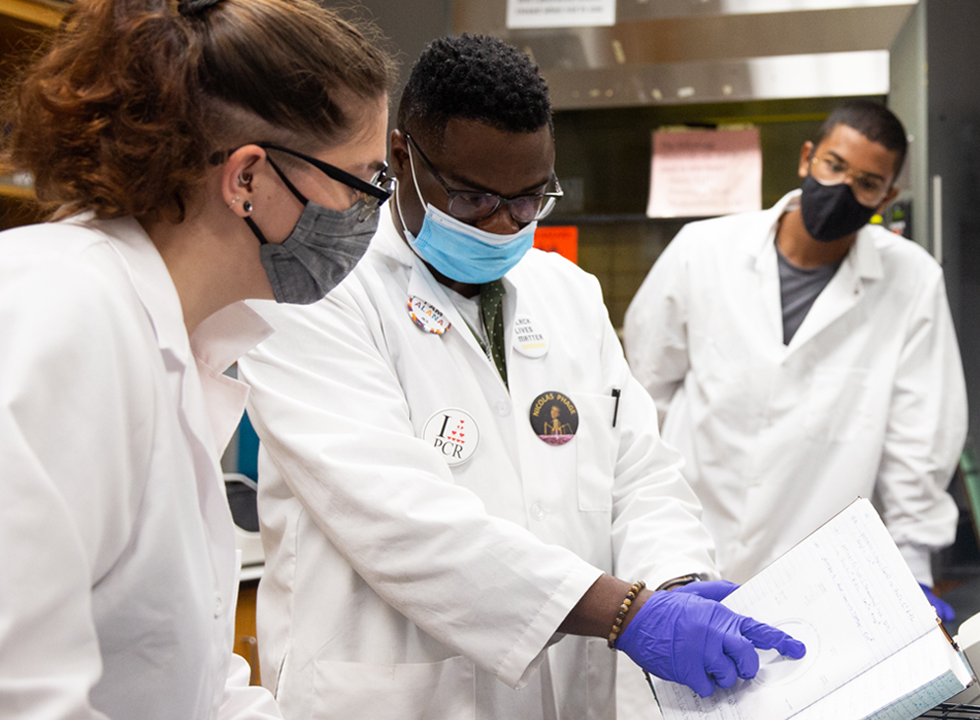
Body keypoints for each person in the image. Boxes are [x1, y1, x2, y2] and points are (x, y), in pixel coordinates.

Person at [238, 34, 803, 720]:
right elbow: (402, 520)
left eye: (531, 199)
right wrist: (627, 612)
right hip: (398, 697)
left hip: (568, 696)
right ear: (400, 158)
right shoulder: (319, 292)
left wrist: (676, 581)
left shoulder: (567, 291)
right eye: (474, 198)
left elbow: (640, 473)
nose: (504, 225)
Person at [0, 0, 394, 717]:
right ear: (248, 179)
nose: (370, 214)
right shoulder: (48, 313)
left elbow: (180, 673)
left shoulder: (174, 341)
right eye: (362, 182)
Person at [624, 100, 967, 620]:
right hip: (684, 551)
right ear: (808, 158)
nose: (843, 190)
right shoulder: (704, 249)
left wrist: (910, 567)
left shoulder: (912, 281)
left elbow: (918, 444)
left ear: (888, 195)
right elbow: (640, 398)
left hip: (819, 575)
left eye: (867, 183)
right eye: (835, 166)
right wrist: (652, 529)